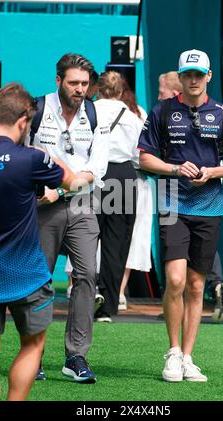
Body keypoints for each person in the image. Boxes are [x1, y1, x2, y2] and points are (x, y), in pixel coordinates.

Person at [138, 49, 223, 382]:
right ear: (180, 77)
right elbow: (144, 159)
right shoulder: (162, 112)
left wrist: (212, 172)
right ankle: (171, 352)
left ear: (208, 76)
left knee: (197, 286)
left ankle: (187, 356)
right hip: (172, 200)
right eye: (188, 74)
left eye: (200, 74)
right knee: (175, 280)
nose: (194, 79)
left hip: (209, 205)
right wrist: (174, 167)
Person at [0, 82, 79, 400]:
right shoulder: (30, 158)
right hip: (27, 277)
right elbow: (73, 180)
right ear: (23, 121)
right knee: (33, 346)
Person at [28, 53, 110, 383]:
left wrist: (60, 190)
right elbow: (22, 154)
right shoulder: (36, 109)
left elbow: (97, 167)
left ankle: (75, 355)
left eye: (85, 84)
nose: (80, 89)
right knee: (38, 279)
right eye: (73, 83)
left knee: (87, 274)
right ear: (58, 80)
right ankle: (32, 355)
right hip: (40, 207)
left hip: (80, 205)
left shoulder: (94, 113)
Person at [94, 71, 142, 322]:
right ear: (121, 92)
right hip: (123, 176)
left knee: (86, 239)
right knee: (117, 244)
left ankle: (86, 294)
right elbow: (139, 156)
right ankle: (108, 306)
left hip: (95, 176)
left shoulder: (89, 111)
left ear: (98, 90)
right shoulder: (133, 119)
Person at [118, 78, 152, 311]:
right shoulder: (138, 114)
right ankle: (119, 292)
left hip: (102, 181)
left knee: (94, 234)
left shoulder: (93, 111)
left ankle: (81, 286)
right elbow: (145, 154)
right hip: (136, 180)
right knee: (132, 236)